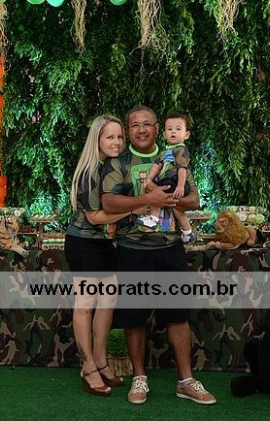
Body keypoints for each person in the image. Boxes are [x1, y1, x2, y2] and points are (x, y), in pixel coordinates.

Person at [101, 105, 217, 405]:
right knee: (134, 317)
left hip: (169, 250)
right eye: (135, 125)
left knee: (178, 316)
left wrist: (170, 199)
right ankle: (139, 378)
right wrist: (147, 198)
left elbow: (194, 199)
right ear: (128, 130)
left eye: (147, 124)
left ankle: (186, 381)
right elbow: (109, 202)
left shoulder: (174, 156)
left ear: (157, 128)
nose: (141, 129)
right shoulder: (119, 162)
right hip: (132, 250)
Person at [65, 115, 147, 397]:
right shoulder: (89, 171)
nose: (117, 142)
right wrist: (134, 209)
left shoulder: (112, 168)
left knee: (108, 301)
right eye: (110, 137)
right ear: (97, 140)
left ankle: (101, 361)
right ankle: (87, 366)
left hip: (104, 245)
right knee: (85, 304)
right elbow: (95, 217)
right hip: (83, 243)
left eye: (119, 137)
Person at [136, 113, 195, 243]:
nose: (173, 132)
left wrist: (180, 185)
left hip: (175, 181)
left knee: (156, 195)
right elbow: (156, 165)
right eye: (169, 129)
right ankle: (187, 232)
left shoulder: (181, 150)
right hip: (168, 181)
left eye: (178, 129)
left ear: (186, 134)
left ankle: (153, 219)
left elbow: (182, 168)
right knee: (177, 208)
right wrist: (149, 179)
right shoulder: (165, 151)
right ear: (164, 134)